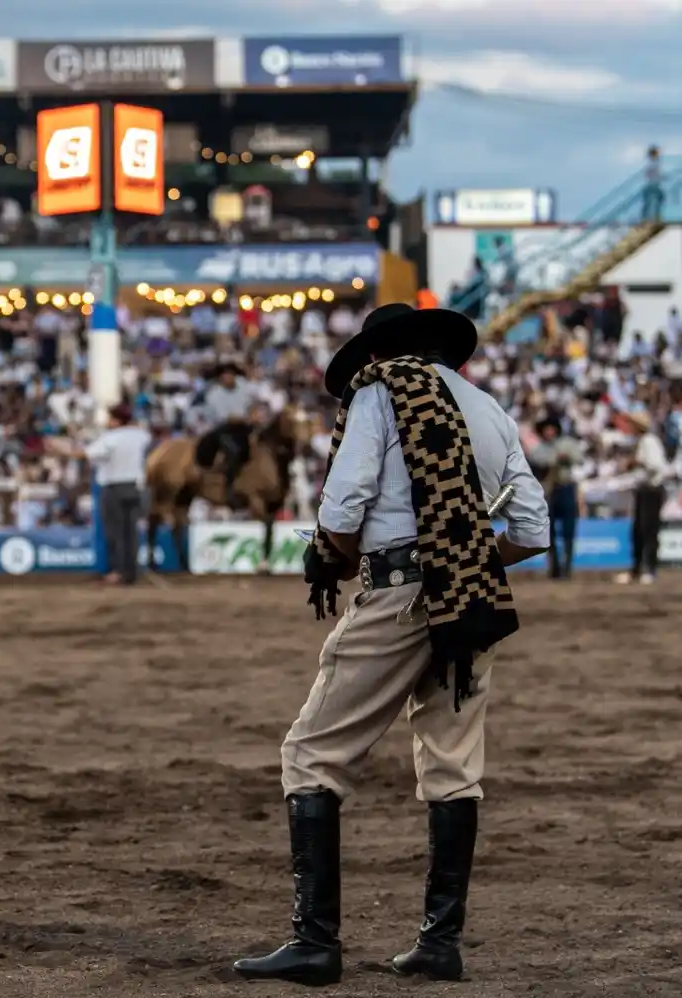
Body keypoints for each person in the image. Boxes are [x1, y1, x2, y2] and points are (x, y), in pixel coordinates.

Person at [234, 303, 550, 987]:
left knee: (312, 753)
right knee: (453, 767)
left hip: (399, 593)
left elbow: (343, 506)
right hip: (472, 604)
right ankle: (440, 943)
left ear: (379, 350)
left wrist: (337, 559)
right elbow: (532, 526)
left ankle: (314, 942)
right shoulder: (488, 408)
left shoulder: (382, 394)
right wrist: (462, 556)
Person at [85, 402, 150, 585]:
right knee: (131, 533)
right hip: (135, 486)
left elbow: (88, 454)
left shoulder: (110, 438)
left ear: (115, 420)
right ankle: (131, 572)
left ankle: (118, 571)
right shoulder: (141, 435)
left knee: (115, 532)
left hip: (114, 487)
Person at [527, 415, 583, 579]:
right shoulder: (539, 448)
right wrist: (555, 458)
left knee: (568, 530)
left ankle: (567, 567)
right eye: (546, 429)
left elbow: (579, 458)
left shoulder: (568, 444)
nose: (548, 432)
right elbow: (536, 461)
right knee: (549, 532)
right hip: (549, 491)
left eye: (551, 428)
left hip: (566, 488)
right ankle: (555, 567)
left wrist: (566, 457)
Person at [617, 409, 668, 585]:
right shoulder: (641, 442)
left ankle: (649, 569)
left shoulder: (649, 441)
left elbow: (657, 466)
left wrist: (636, 462)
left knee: (649, 530)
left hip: (652, 490)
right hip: (643, 489)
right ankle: (638, 568)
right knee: (638, 530)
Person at [199, 360, 255, 506]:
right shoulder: (214, 395)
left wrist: (256, 413)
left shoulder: (243, 387)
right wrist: (248, 418)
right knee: (233, 450)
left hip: (244, 427)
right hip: (222, 430)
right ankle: (230, 488)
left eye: (231, 373)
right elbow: (225, 418)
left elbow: (253, 402)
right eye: (225, 374)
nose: (228, 377)